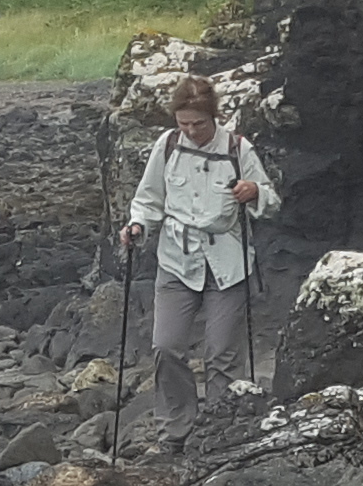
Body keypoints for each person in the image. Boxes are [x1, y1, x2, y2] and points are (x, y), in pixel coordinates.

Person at [117, 75, 280, 435]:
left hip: (228, 263)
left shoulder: (239, 149)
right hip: (176, 261)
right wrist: (137, 226)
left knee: (222, 354)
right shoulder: (168, 145)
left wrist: (254, 192)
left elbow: (271, 202)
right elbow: (148, 199)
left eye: (198, 124)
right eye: (183, 123)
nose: (191, 131)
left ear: (214, 117)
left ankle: (219, 431)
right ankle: (175, 429)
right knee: (166, 347)